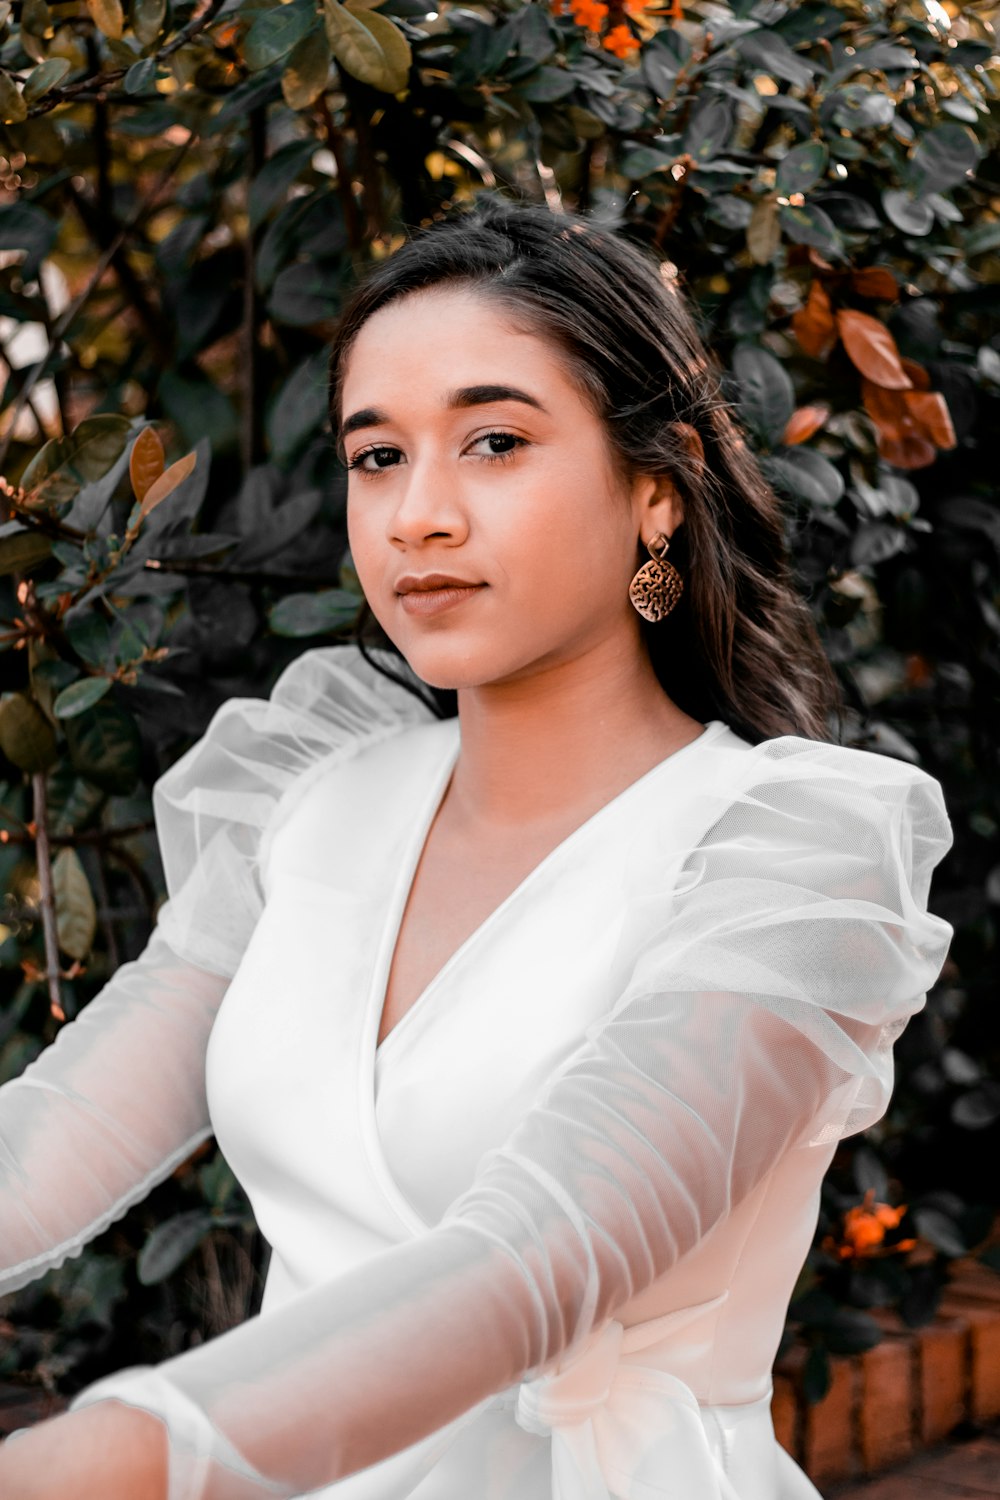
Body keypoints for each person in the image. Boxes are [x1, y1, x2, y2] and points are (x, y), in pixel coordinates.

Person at [0, 197, 953, 1500]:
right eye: (378, 457)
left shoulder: (786, 858)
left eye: (494, 442)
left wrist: (115, 1457)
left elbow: (534, 1256)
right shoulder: (312, 802)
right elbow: (49, 1146)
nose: (420, 516)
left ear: (658, 491)